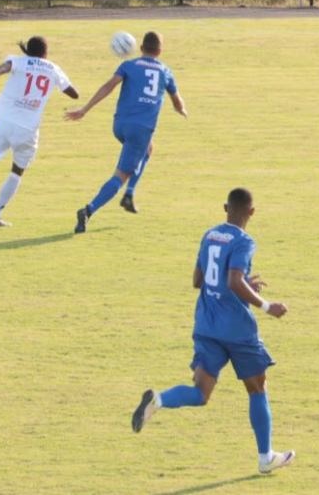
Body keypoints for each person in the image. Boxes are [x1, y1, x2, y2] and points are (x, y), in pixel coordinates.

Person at [131, 188, 295, 475]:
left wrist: (244, 284)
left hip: (207, 325)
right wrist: (266, 305)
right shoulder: (244, 241)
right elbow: (233, 281)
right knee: (257, 387)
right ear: (252, 212)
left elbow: (198, 280)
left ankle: (159, 400)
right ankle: (264, 456)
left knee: (200, 392)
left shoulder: (209, 236)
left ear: (225, 208)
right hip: (237, 329)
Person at [67, 31, 188, 233]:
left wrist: (85, 109)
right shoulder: (165, 71)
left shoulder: (128, 65)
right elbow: (177, 102)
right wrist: (182, 110)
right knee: (120, 176)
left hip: (119, 125)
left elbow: (109, 86)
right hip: (140, 129)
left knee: (148, 150)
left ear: (141, 48)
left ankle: (130, 194)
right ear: (160, 50)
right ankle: (88, 210)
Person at [0, 37, 79, 226]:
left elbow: (4, 67)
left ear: (28, 50)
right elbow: (73, 93)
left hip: (5, 122)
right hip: (28, 129)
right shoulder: (52, 68)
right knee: (17, 171)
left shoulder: (18, 61)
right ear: (45, 52)